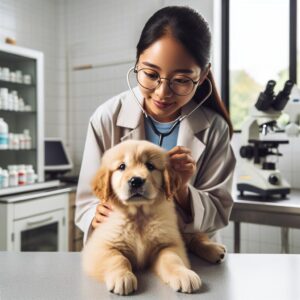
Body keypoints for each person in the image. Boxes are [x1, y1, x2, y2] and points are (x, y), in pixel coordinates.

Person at [75, 6, 236, 244]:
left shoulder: (214, 128)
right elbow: (87, 201)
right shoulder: (107, 117)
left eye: (181, 80)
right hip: (126, 252)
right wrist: (95, 215)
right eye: (150, 74)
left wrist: (181, 189)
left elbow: (218, 211)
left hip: (189, 258)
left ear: (202, 76)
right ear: (137, 62)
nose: (162, 93)